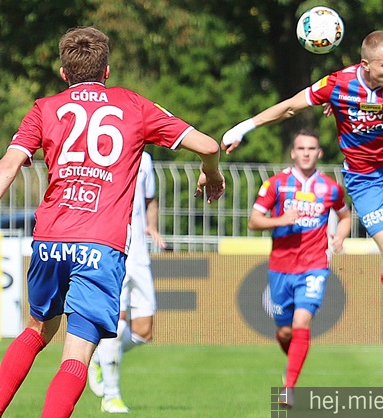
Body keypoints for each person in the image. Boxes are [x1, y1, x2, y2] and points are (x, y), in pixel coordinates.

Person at [0, 26, 225, 417]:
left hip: (50, 237)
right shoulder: (134, 106)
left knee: (37, 330)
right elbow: (208, 145)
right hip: (100, 244)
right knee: (77, 350)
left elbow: (7, 168)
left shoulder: (44, 108)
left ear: (64, 72)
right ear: (106, 71)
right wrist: (212, 173)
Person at [222, 31, 383, 365]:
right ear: (366, 64)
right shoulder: (336, 84)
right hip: (366, 182)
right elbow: (290, 107)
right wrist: (244, 127)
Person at [249, 129, 352, 408]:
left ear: (319, 153)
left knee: (301, 323)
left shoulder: (331, 188)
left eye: (311, 149)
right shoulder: (276, 184)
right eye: (301, 148)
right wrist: (280, 220)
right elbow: (254, 221)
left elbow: (345, 216)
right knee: (285, 333)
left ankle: (288, 387)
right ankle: (292, 360)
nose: (306, 153)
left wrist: (340, 236)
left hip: (315, 266)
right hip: (280, 267)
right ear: (293, 153)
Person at [86, 151, 166, 413]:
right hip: (112, 252)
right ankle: (111, 395)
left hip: (140, 255)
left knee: (144, 332)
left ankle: (99, 356)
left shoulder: (144, 159)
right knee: (116, 328)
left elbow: (150, 199)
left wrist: (152, 226)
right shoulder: (99, 155)